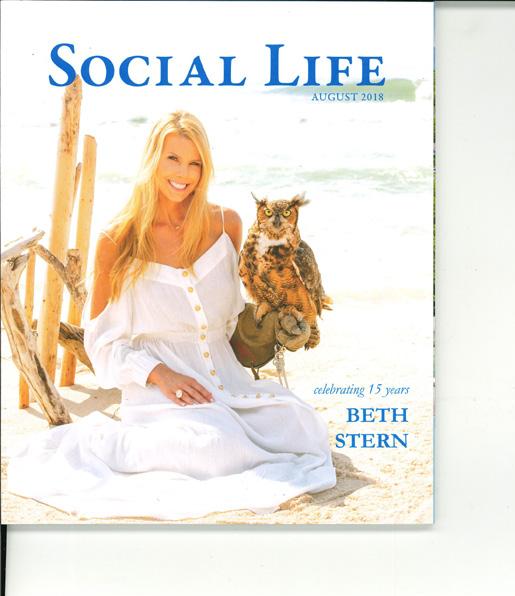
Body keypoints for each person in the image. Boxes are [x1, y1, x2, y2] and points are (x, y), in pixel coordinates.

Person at [8, 111, 336, 520]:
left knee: (304, 426)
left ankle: (232, 427)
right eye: (173, 159)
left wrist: (274, 329)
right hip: (159, 395)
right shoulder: (117, 239)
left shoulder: (226, 225)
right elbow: (101, 342)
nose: (184, 173)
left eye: (195, 163)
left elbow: (232, 322)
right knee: (213, 449)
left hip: (227, 383)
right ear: (152, 160)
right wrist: (158, 373)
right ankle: (120, 444)